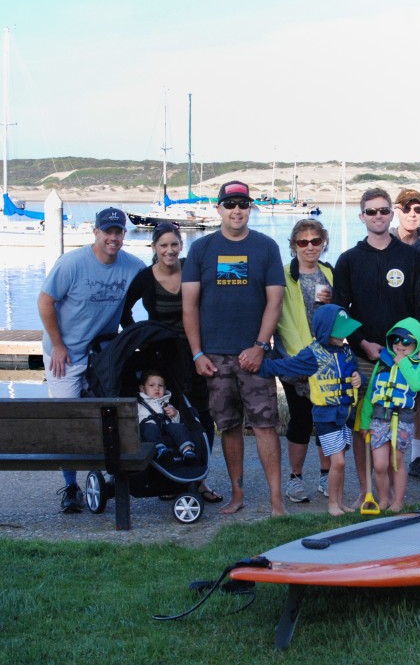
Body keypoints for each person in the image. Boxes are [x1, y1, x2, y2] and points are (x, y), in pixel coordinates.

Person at [182, 180, 286, 516]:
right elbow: (189, 306)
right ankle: (237, 495)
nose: (236, 210)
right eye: (230, 204)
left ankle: (275, 500)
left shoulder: (266, 247)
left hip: (254, 355)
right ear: (219, 209)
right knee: (228, 426)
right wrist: (197, 353)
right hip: (214, 356)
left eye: (242, 204)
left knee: (265, 425)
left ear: (250, 208)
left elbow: (275, 301)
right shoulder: (201, 249)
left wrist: (259, 346)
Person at [38, 206, 144, 513]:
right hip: (65, 354)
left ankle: (109, 476)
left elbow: (157, 281)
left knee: (107, 417)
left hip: (103, 354)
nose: (113, 238)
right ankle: (70, 486)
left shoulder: (132, 266)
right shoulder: (72, 263)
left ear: (124, 234)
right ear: (95, 233)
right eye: (107, 232)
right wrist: (57, 345)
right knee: (69, 420)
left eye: (118, 232)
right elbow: (45, 301)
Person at [333, 187, 420, 507]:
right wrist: (361, 342)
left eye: (383, 211)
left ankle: (396, 495)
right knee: (366, 428)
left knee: (400, 425)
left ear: (392, 214)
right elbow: (340, 312)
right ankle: (368, 492)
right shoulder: (349, 260)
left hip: (403, 359)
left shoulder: (410, 257)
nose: (378, 216)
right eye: (371, 211)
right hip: (366, 359)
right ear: (362, 216)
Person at [121, 222, 223, 504]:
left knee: (202, 416)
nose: (169, 250)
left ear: (181, 246)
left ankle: (199, 480)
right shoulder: (145, 278)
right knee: (168, 416)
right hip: (164, 360)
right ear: (154, 248)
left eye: (174, 245)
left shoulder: (191, 267)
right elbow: (124, 314)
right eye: (163, 245)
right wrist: (144, 342)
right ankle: (169, 478)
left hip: (197, 352)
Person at [258, 305, 363, 516]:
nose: (344, 336)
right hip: (326, 417)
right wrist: (261, 366)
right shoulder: (312, 355)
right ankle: (333, 504)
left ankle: (340, 502)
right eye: (340, 331)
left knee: (340, 462)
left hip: (345, 415)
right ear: (325, 330)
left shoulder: (346, 352)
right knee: (339, 461)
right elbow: (287, 366)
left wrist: (360, 378)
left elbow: (357, 374)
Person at [275, 218, 335, 504]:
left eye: (315, 241)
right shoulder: (284, 275)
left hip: (326, 360)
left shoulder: (330, 274)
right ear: (294, 245)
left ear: (323, 243)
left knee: (326, 418)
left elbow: (339, 315)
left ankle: (326, 475)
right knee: (300, 418)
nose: (310, 247)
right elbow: (279, 318)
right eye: (303, 242)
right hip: (295, 359)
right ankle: (295, 479)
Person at [388, 188, 420, 484]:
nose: (412, 214)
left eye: (417, 209)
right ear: (397, 210)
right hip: (390, 335)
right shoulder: (385, 241)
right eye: (406, 208)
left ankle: (416, 457)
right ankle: (388, 460)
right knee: (388, 396)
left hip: (418, 334)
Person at [359, 319, 420, 510]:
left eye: (406, 342)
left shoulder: (419, 365)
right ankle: (383, 499)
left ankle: (398, 501)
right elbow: (369, 395)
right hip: (379, 419)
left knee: (396, 462)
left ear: (417, 344)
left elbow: (417, 385)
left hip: (403, 420)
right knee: (380, 465)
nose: (400, 345)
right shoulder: (382, 363)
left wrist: (403, 362)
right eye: (396, 339)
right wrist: (364, 423)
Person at [137, 369, 196, 463]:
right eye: (152, 385)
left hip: (165, 427)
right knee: (150, 427)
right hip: (148, 428)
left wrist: (175, 414)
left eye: (160, 385)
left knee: (179, 427)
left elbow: (175, 422)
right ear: (142, 389)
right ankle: (160, 449)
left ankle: (187, 450)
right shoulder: (139, 403)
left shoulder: (166, 402)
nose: (156, 388)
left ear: (165, 388)